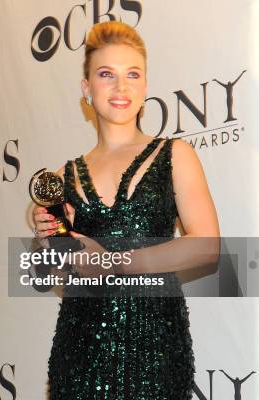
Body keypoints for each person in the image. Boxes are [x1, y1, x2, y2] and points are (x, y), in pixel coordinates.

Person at [31, 21, 220, 399]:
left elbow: (207, 246)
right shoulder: (59, 178)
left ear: (146, 87)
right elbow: (48, 276)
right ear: (87, 89)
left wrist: (113, 263)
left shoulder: (174, 156)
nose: (122, 87)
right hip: (78, 351)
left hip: (156, 350)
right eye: (106, 74)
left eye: (133, 74)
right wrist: (47, 241)